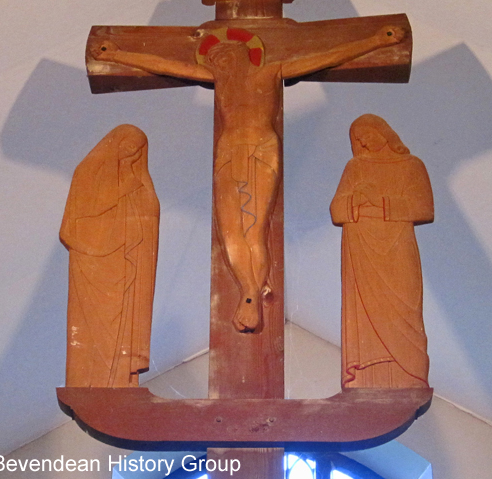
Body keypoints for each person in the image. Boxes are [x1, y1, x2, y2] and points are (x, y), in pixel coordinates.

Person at [93, 26, 405, 332]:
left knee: (254, 229)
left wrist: (375, 39)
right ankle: (250, 289)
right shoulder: (220, 79)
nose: (216, 63)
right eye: (213, 60)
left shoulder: (270, 72)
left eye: (222, 56)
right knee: (230, 231)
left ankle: (250, 295)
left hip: (260, 149)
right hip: (228, 152)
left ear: (241, 53)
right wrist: (121, 55)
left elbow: (326, 57)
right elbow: (170, 65)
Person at [330, 114, 433, 388]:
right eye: (358, 139)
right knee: (366, 311)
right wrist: (355, 199)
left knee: (405, 305)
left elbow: (423, 207)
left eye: (367, 134)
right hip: (362, 246)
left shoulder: (411, 166)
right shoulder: (355, 167)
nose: (363, 142)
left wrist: (380, 201)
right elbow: (337, 209)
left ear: (384, 132)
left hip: (398, 245)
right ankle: (366, 374)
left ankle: (410, 373)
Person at [60, 124, 159, 387]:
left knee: (121, 322)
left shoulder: (137, 180)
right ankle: (90, 380)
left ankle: (120, 378)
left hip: (123, 264)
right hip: (93, 263)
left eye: (137, 151)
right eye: (127, 147)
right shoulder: (87, 172)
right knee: (93, 326)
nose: (131, 154)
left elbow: (148, 215)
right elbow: (76, 224)